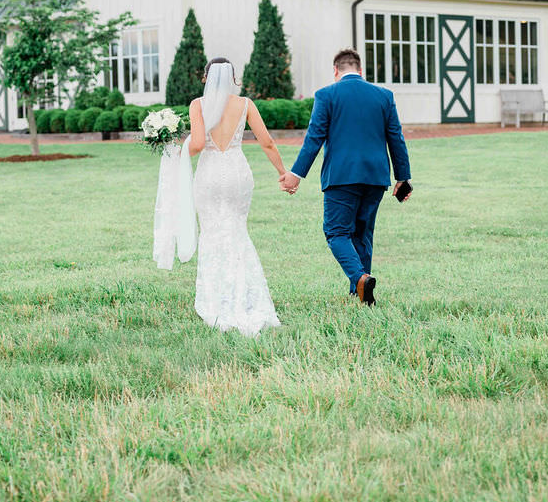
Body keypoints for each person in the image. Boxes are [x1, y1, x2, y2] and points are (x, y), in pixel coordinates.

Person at [280, 49, 412, 306]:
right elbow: (396, 137)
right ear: (361, 70)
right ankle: (359, 293)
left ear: (336, 70)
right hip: (376, 176)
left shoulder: (326, 95)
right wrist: (402, 177)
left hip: (341, 177)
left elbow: (314, 137)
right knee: (363, 233)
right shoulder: (384, 96)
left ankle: (360, 278)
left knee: (336, 232)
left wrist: (296, 174)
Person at [176, 58, 283, 336]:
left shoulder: (198, 105)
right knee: (236, 230)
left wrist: (174, 155)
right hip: (237, 172)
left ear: (205, 78)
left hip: (210, 174)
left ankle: (217, 297)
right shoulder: (245, 104)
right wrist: (283, 172)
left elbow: (198, 144)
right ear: (234, 79)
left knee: (212, 232)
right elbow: (267, 141)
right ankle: (245, 296)